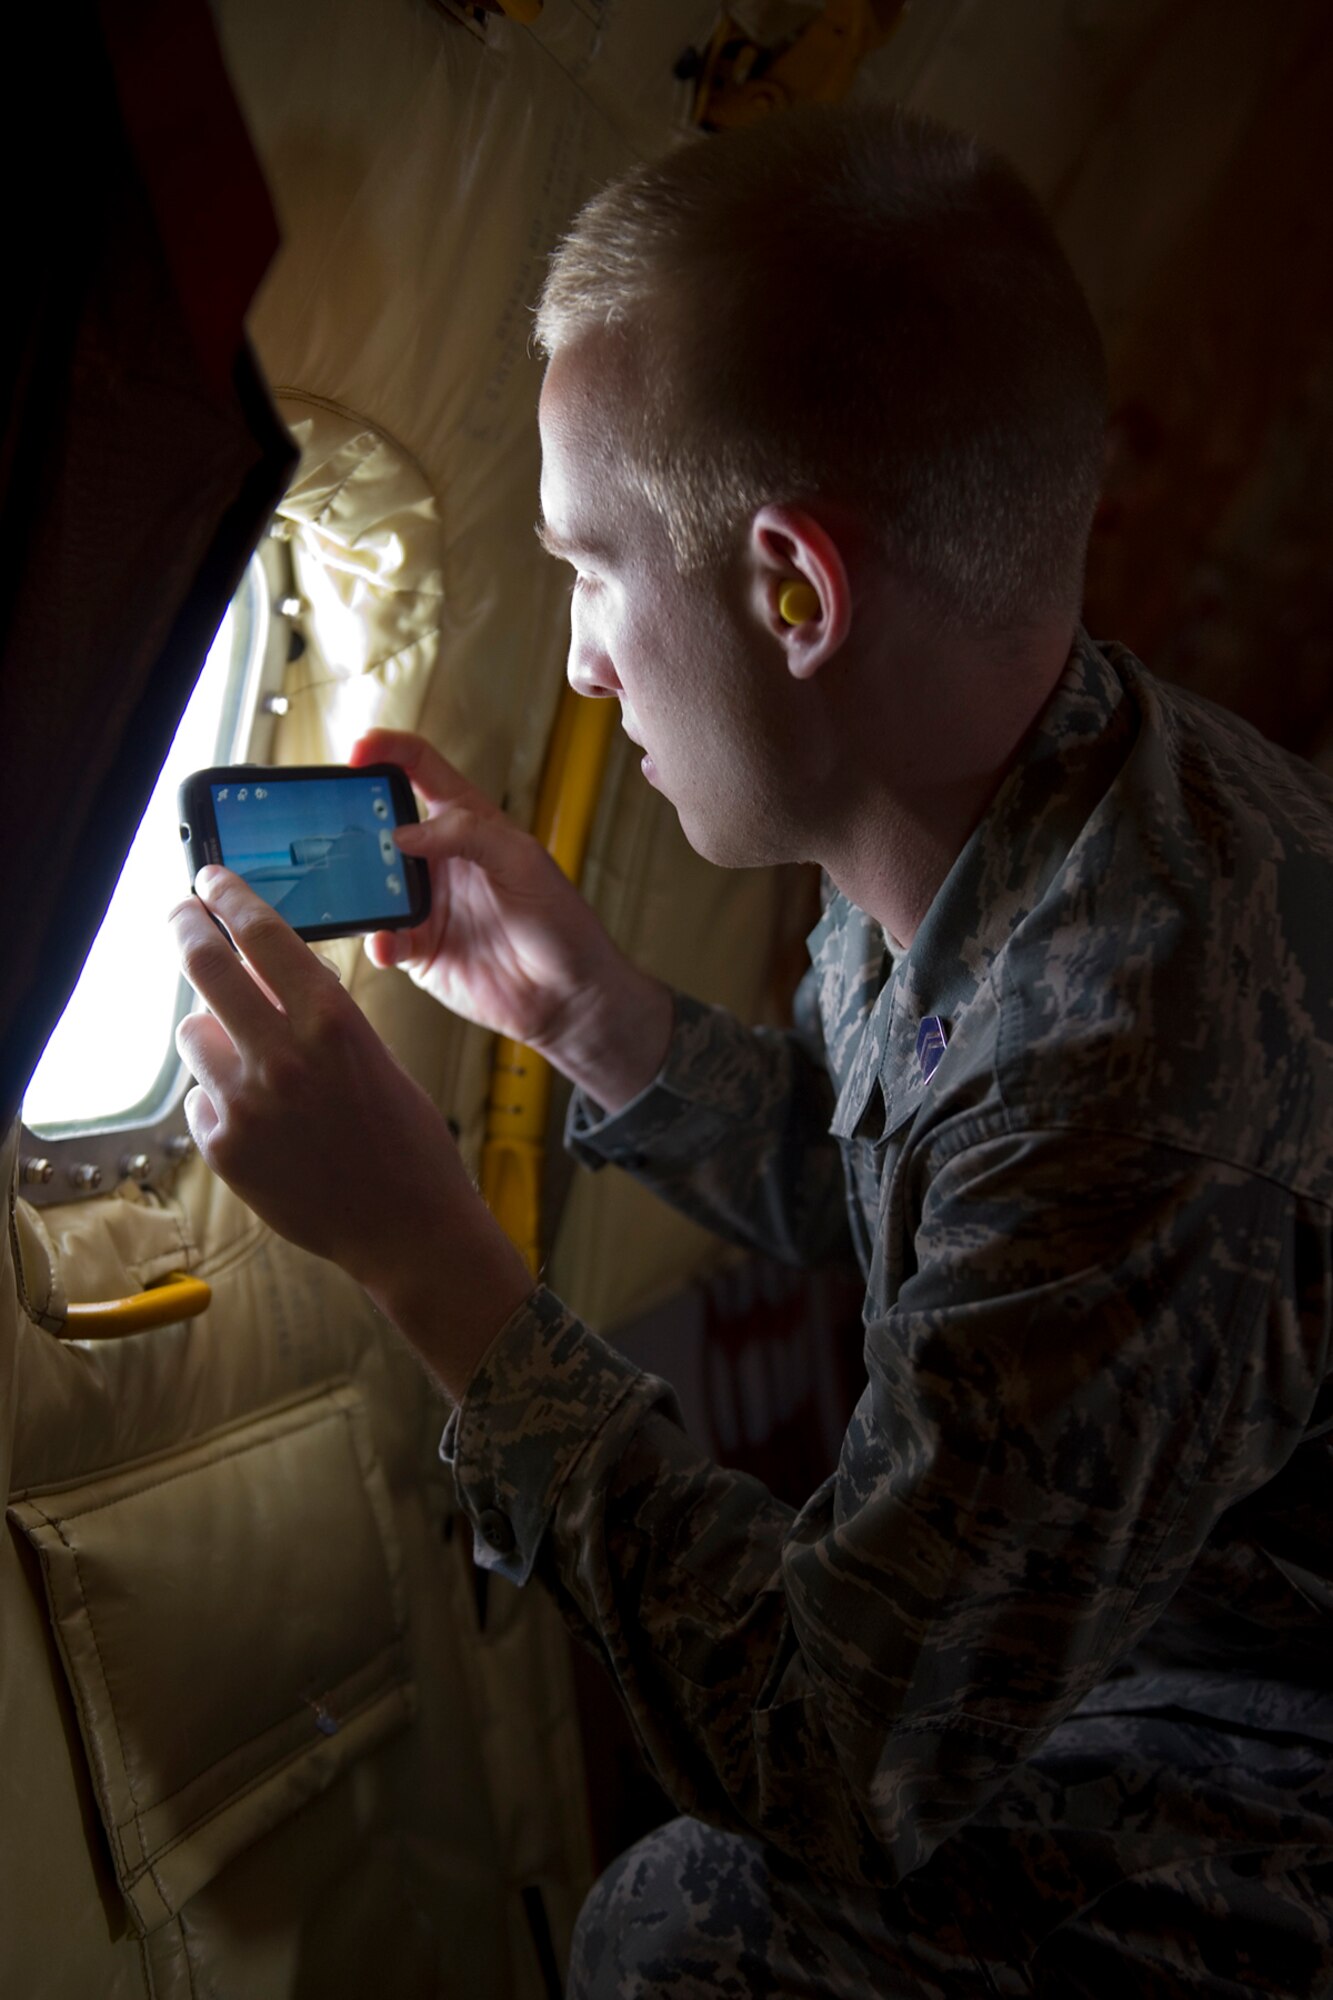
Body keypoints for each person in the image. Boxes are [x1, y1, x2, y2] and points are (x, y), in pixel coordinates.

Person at [169, 106, 1333, 1997]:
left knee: (687, 1933)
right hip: (1144, 1621)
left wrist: (432, 1268)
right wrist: (590, 1021)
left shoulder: (1134, 1067)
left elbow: (829, 1763)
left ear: (795, 589)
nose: (579, 664)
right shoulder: (1011, 806)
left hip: (1265, 1744)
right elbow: (903, 1189)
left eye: (592, 567)